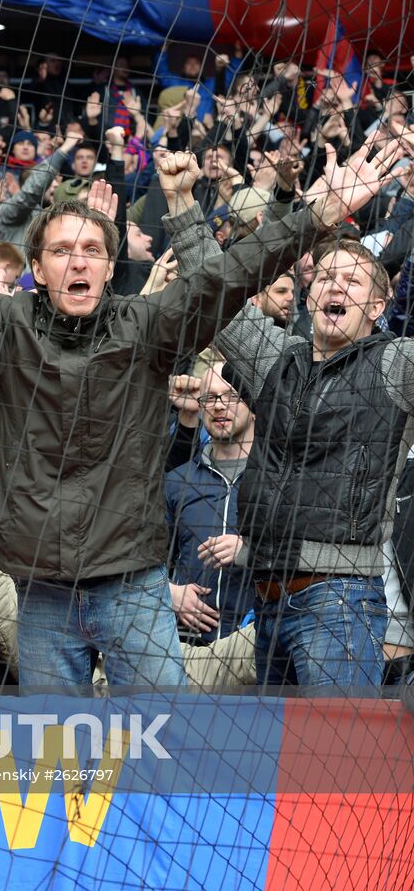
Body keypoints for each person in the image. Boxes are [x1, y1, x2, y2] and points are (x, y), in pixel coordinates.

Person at [0, 118, 406, 693]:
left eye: (93, 250)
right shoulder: (5, 325)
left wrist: (318, 215)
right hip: (43, 598)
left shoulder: (146, 326)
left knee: (166, 757)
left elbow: (229, 274)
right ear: (38, 270)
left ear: (109, 268)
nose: (79, 260)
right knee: (56, 768)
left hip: (136, 589)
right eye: (62, 250)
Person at [167, 195, 414, 689]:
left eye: (352, 279)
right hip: (267, 603)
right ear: (308, 294)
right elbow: (217, 290)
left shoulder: (396, 363)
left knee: (332, 756)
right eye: (324, 276)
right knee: (282, 760)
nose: (335, 284)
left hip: (339, 602)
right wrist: (180, 202)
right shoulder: (278, 359)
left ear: (378, 305)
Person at [164, 364, 259, 687]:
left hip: (254, 657)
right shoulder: (176, 482)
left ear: (254, 404)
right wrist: (170, 593)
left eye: (231, 396)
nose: (219, 406)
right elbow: (139, 563)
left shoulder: (275, 482)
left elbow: (301, 554)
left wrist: (248, 551)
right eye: (210, 398)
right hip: (184, 655)